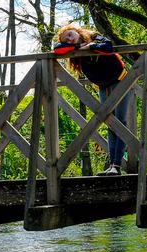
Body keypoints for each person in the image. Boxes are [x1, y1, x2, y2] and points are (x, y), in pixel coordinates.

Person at [53, 24, 131, 176]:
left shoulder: (94, 36)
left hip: (120, 81)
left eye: (70, 34)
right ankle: (112, 166)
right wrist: (75, 47)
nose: (70, 39)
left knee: (120, 122)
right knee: (110, 123)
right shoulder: (73, 49)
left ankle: (116, 165)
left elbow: (108, 47)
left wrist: (89, 46)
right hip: (103, 87)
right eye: (66, 40)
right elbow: (57, 49)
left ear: (75, 30)